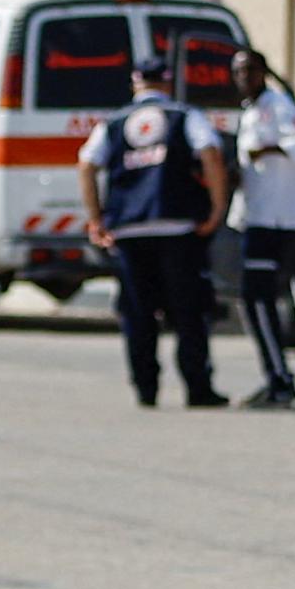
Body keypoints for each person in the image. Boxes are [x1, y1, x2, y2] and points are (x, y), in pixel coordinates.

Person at [79, 55, 229, 409]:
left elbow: (86, 165)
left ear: (135, 84)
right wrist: (217, 208)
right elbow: (210, 154)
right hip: (177, 226)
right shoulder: (184, 116)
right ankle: (197, 387)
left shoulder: (114, 123)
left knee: (138, 313)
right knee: (188, 311)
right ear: (167, 82)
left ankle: (146, 388)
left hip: (130, 229)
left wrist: (96, 218)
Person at [228, 48, 295, 409]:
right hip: (254, 217)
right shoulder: (250, 111)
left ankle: (281, 379)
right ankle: (275, 375)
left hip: (276, 220)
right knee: (253, 301)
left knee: (260, 299)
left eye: (249, 71)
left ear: (263, 72)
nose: (242, 78)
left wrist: (270, 149)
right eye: (237, 72)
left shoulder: (278, 107)